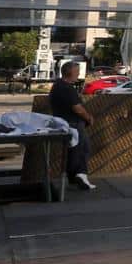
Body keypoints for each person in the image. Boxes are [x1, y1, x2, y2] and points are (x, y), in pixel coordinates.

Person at [48, 62, 98, 191]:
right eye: (77, 71)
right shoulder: (67, 88)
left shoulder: (57, 85)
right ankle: (80, 175)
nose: (78, 74)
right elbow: (77, 108)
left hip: (63, 122)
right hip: (73, 123)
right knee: (82, 149)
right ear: (70, 73)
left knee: (74, 151)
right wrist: (89, 118)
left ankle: (74, 177)